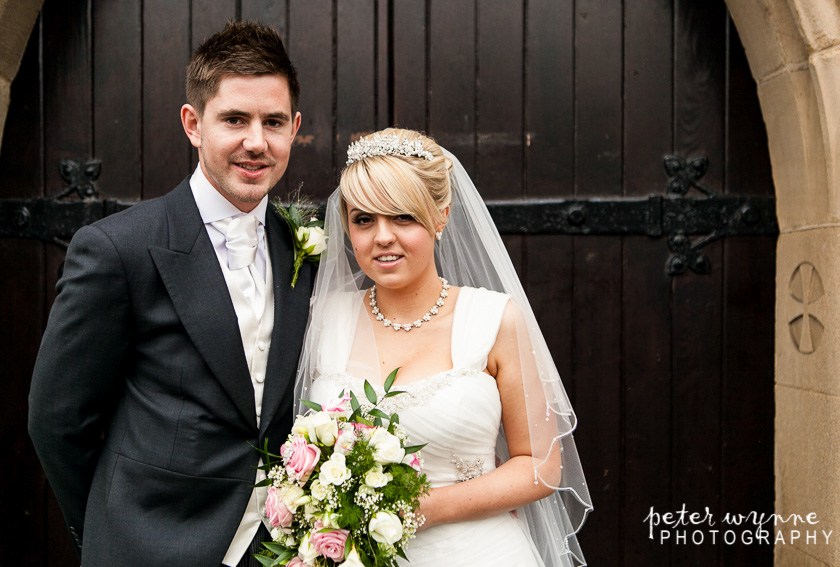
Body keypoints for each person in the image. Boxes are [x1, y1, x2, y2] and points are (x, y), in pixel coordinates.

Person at [28, 21, 313, 567]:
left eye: (273, 122)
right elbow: (57, 419)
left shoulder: (306, 246)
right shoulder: (117, 249)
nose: (257, 142)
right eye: (234, 119)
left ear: (294, 128)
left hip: (278, 549)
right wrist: (113, 531)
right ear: (193, 124)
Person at [300, 128, 592, 566]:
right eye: (364, 219)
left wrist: (424, 509)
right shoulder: (323, 318)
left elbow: (542, 464)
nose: (382, 237)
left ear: (440, 217)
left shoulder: (494, 319)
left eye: (402, 217)